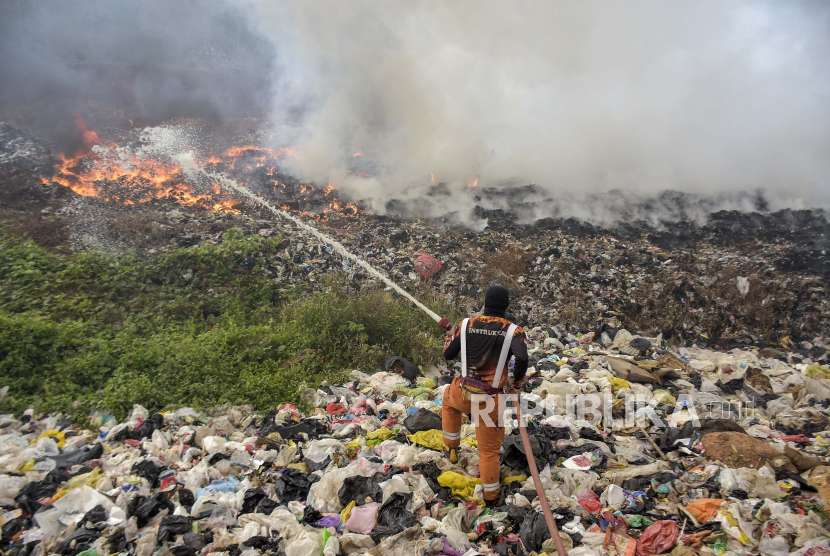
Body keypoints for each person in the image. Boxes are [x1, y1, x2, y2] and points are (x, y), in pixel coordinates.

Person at [437, 285, 529, 505]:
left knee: (448, 401)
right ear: (506, 306)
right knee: (488, 452)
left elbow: (448, 354)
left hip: (464, 393)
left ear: (484, 303)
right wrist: (515, 383)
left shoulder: (466, 324)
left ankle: (450, 449)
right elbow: (523, 358)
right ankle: (491, 497)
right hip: (490, 400)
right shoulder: (514, 331)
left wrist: (451, 335)